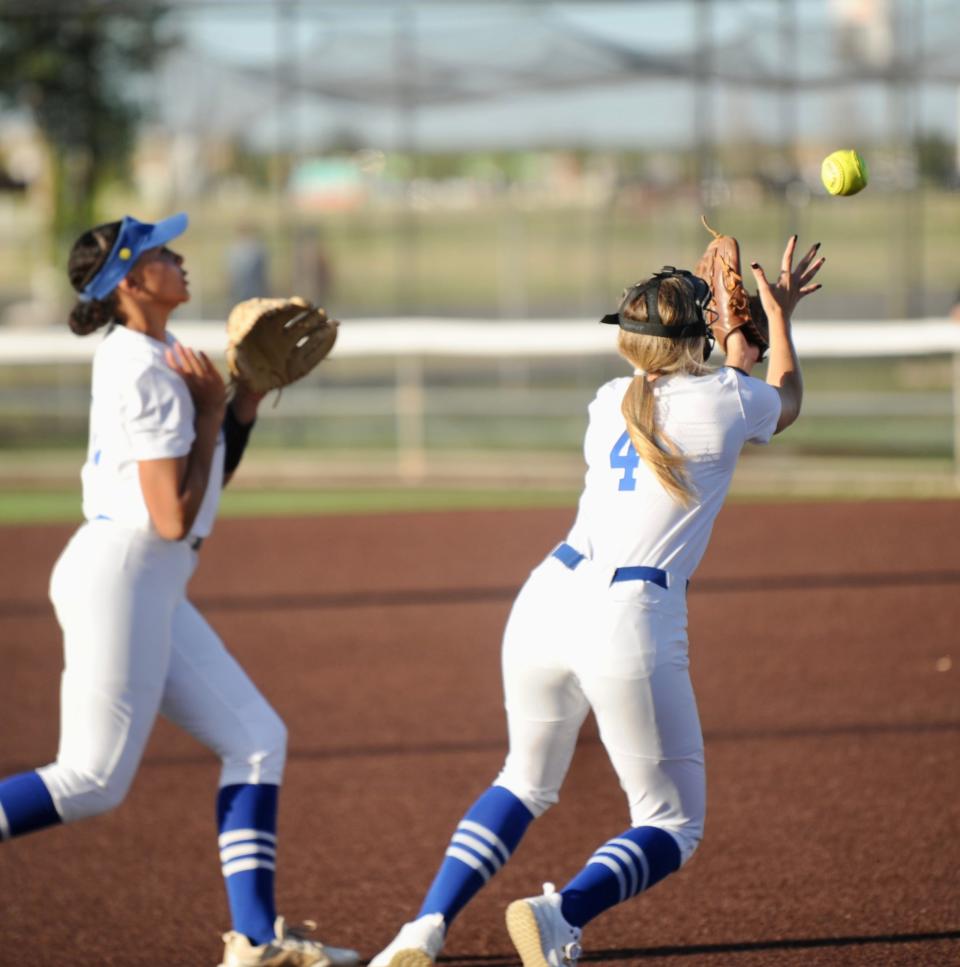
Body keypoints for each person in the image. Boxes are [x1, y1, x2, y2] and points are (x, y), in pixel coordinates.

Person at [370, 235, 824, 967]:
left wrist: (727, 331)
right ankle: (560, 912)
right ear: (695, 337)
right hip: (630, 618)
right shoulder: (724, 401)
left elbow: (719, 391)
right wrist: (775, 318)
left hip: (549, 597)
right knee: (673, 824)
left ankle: (421, 928)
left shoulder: (610, 399)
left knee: (522, 779)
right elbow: (784, 398)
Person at [0, 213, 358, 967]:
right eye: (161, 251)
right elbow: (171, 517)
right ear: (131, 281)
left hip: (144, 575)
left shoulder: (158, 352)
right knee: (92, 780)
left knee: (257, 740)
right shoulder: (145, 368)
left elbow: (206, 483)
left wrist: (242, 407)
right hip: (126, 570)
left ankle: (256, 942)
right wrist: (206, 410)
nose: (179, 255)